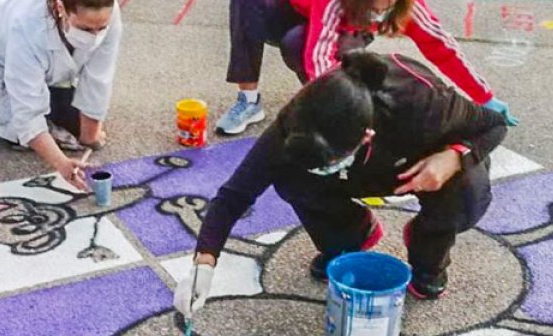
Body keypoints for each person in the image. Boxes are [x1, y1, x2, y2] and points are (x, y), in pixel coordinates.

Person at [174, 50, 507, 316]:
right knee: (290, 178)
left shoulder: (423, 103)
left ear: (366, 137)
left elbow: (495, 124)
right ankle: (349, 236)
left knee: (467, 191)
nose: (323, 170)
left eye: (328, 163)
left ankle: (427, 249)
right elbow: (234, 195)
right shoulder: (296, 122)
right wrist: (204, 264)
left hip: (417, 167)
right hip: (356, 172)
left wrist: (455, 157)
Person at [214, 0, 516, 136]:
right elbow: (320, 48)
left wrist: (484, 96)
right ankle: (249, 102)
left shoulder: (405, 0)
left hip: (345, 32)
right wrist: (333, 103)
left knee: (297, 42)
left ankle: (326, 108)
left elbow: (441, 44)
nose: (380, 13)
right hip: (300, 13)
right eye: (375, 7)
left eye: (386, 9)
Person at [0, 0, 121, 191]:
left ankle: (44, 88)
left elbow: (99, 79)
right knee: (13, 132)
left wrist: (90, 138)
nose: (95, 37)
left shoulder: (109, 12)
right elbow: (28, 116)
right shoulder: (27, 28)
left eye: (101, 28)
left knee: (78, 129)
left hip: (44, 58)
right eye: (85, 28)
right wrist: (61, 164)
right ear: (61, 9)